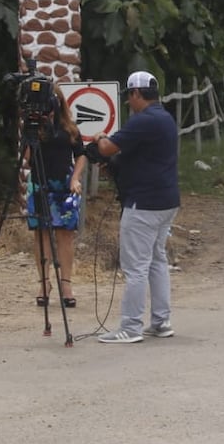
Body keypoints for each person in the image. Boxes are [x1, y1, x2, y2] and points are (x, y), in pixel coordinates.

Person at [87, 70, 180, 344]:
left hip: (144, 204)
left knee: (136, 267)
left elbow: (107, 148)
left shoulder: (143, 121)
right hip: (166, 200)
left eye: (130, 96)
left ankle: (130, 327)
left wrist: (99, 139)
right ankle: (161, 321)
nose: (129, 102)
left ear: (137, 94)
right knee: (156, 260)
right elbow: (139, 157)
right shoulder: (164, 118)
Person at [22, 85, 88, 309]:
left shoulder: (69, 128)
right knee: (41, 234)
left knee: (65, 234)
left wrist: (75, 178)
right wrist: (32, 129)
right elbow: (27, 159)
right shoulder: (34, 127)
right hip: (40, 184)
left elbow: (80, 155)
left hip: (64, 184)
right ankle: (44, 283)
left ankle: (66, 283)